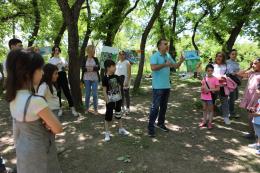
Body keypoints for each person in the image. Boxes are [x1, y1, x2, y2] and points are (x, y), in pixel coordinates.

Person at [6, 49, 62, 173]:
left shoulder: (13, 98)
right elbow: (57, 128)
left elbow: (16, 131)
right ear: (28, 73)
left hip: (24, 152)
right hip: (41, 153)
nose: (42, 72)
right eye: (39, 69)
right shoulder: (35, 101)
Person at [148, 38, 185, 137]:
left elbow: (175, 66)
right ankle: (151, 127)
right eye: (165, 44)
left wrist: (181, 61)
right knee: (155, 107)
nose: (167, 45)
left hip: (166, 86)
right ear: (159, 46)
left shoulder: (168, 55)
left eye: (167, 44)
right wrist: (165, 64)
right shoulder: (155, 56)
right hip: (158, 87)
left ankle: (160, 124)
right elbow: (153, 68)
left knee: (163, 107)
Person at [102, 59, 129, 142]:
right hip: (110, 101)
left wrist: (121, 99)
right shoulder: (105, 78)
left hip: (118, 100)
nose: (115, 68)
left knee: (118, 114)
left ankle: (121, 129)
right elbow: (104, 90)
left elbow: (119, 88)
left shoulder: (116, 77)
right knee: (108, 117)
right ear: (108, 68)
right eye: (113, 66)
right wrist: (107, 100)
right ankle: (107, 133)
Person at [49, 46, 78, 117]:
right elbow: (49, 70)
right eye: (55, 50)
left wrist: (65, 67)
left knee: (67, 92)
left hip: (62, 75)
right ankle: (60, 109)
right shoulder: (51, 60)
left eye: (58, 50)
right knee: (58, 93)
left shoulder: (62, 59)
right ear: (53, 51)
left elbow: (67, 68)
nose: (57, 51)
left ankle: (73, 109)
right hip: (55, 76)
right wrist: (56, 65)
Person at [237, 58, 260, 140]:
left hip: (256, 98)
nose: (253, 65)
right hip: (249, 96)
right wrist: (248, 67)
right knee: (250, 115)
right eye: (252, 63)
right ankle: (253, 133)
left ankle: (253, 134)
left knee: (252, 116)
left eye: (255, 63)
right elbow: (239, 74)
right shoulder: (251, 73)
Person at [212, 52, 231, 125]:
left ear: (223, 58)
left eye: (221, 56)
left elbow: (229, 75)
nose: (219, 58)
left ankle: (226, 117)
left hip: (223, 86)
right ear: (216, 57)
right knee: (212, 101)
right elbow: (208, 75)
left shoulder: (226, 66)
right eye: (218, 56)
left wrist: (225, 77)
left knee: (224, 102)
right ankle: (210, 116)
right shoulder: (212, 65)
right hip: (213, 87)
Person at [81, 45, 100, 115]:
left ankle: (95, 109)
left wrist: (88, 69)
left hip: (95, 78)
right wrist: (93, 68)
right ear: (89, 51)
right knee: (87, 94)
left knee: (95, 94)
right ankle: (86, 109)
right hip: (86, 79)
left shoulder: (96, 59)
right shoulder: (84, 58)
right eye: (92, 51)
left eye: (94, 51)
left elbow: (98, 68)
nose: (93, 52)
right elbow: (83, 68)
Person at [200, 64, 220, 129]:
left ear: (213, 71)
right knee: (204, 109)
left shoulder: (215, 79)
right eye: (208, 71)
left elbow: (218, 89)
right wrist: (202, 89)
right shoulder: (204, 78)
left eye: (211, 70)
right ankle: (204, 121)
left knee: (211, 110)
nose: (210, 72)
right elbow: (202, 85)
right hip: (203, 95)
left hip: (210, 97)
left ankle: (210, 123)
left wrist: (209, 89)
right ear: (206, 71)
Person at [115, 51, 131, 115]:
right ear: (118, 55)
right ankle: (122, 108)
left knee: (126, 94)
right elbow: (116, 72)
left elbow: (129, 73)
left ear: (125, 55)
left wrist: (127, 81)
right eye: (120, 54)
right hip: (119, 81)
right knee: (120, 95)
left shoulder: (127, 62)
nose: (121, 55)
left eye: (123, 54)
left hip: (125, 80)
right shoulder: (118, 63)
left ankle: (128, 108)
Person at [226, 49, 241, 118]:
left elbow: (237, 73)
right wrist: (237, 72)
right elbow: (232, 72)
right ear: (229, 55)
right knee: (232, 97)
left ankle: (221, 107)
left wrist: (237, 73)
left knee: (236, 97)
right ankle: (231, 113)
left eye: (235, 54)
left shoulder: (237, 63)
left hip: (235, 81)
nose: (234, 55)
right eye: (232, 54)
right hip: (229, 81)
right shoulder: (227, 62)